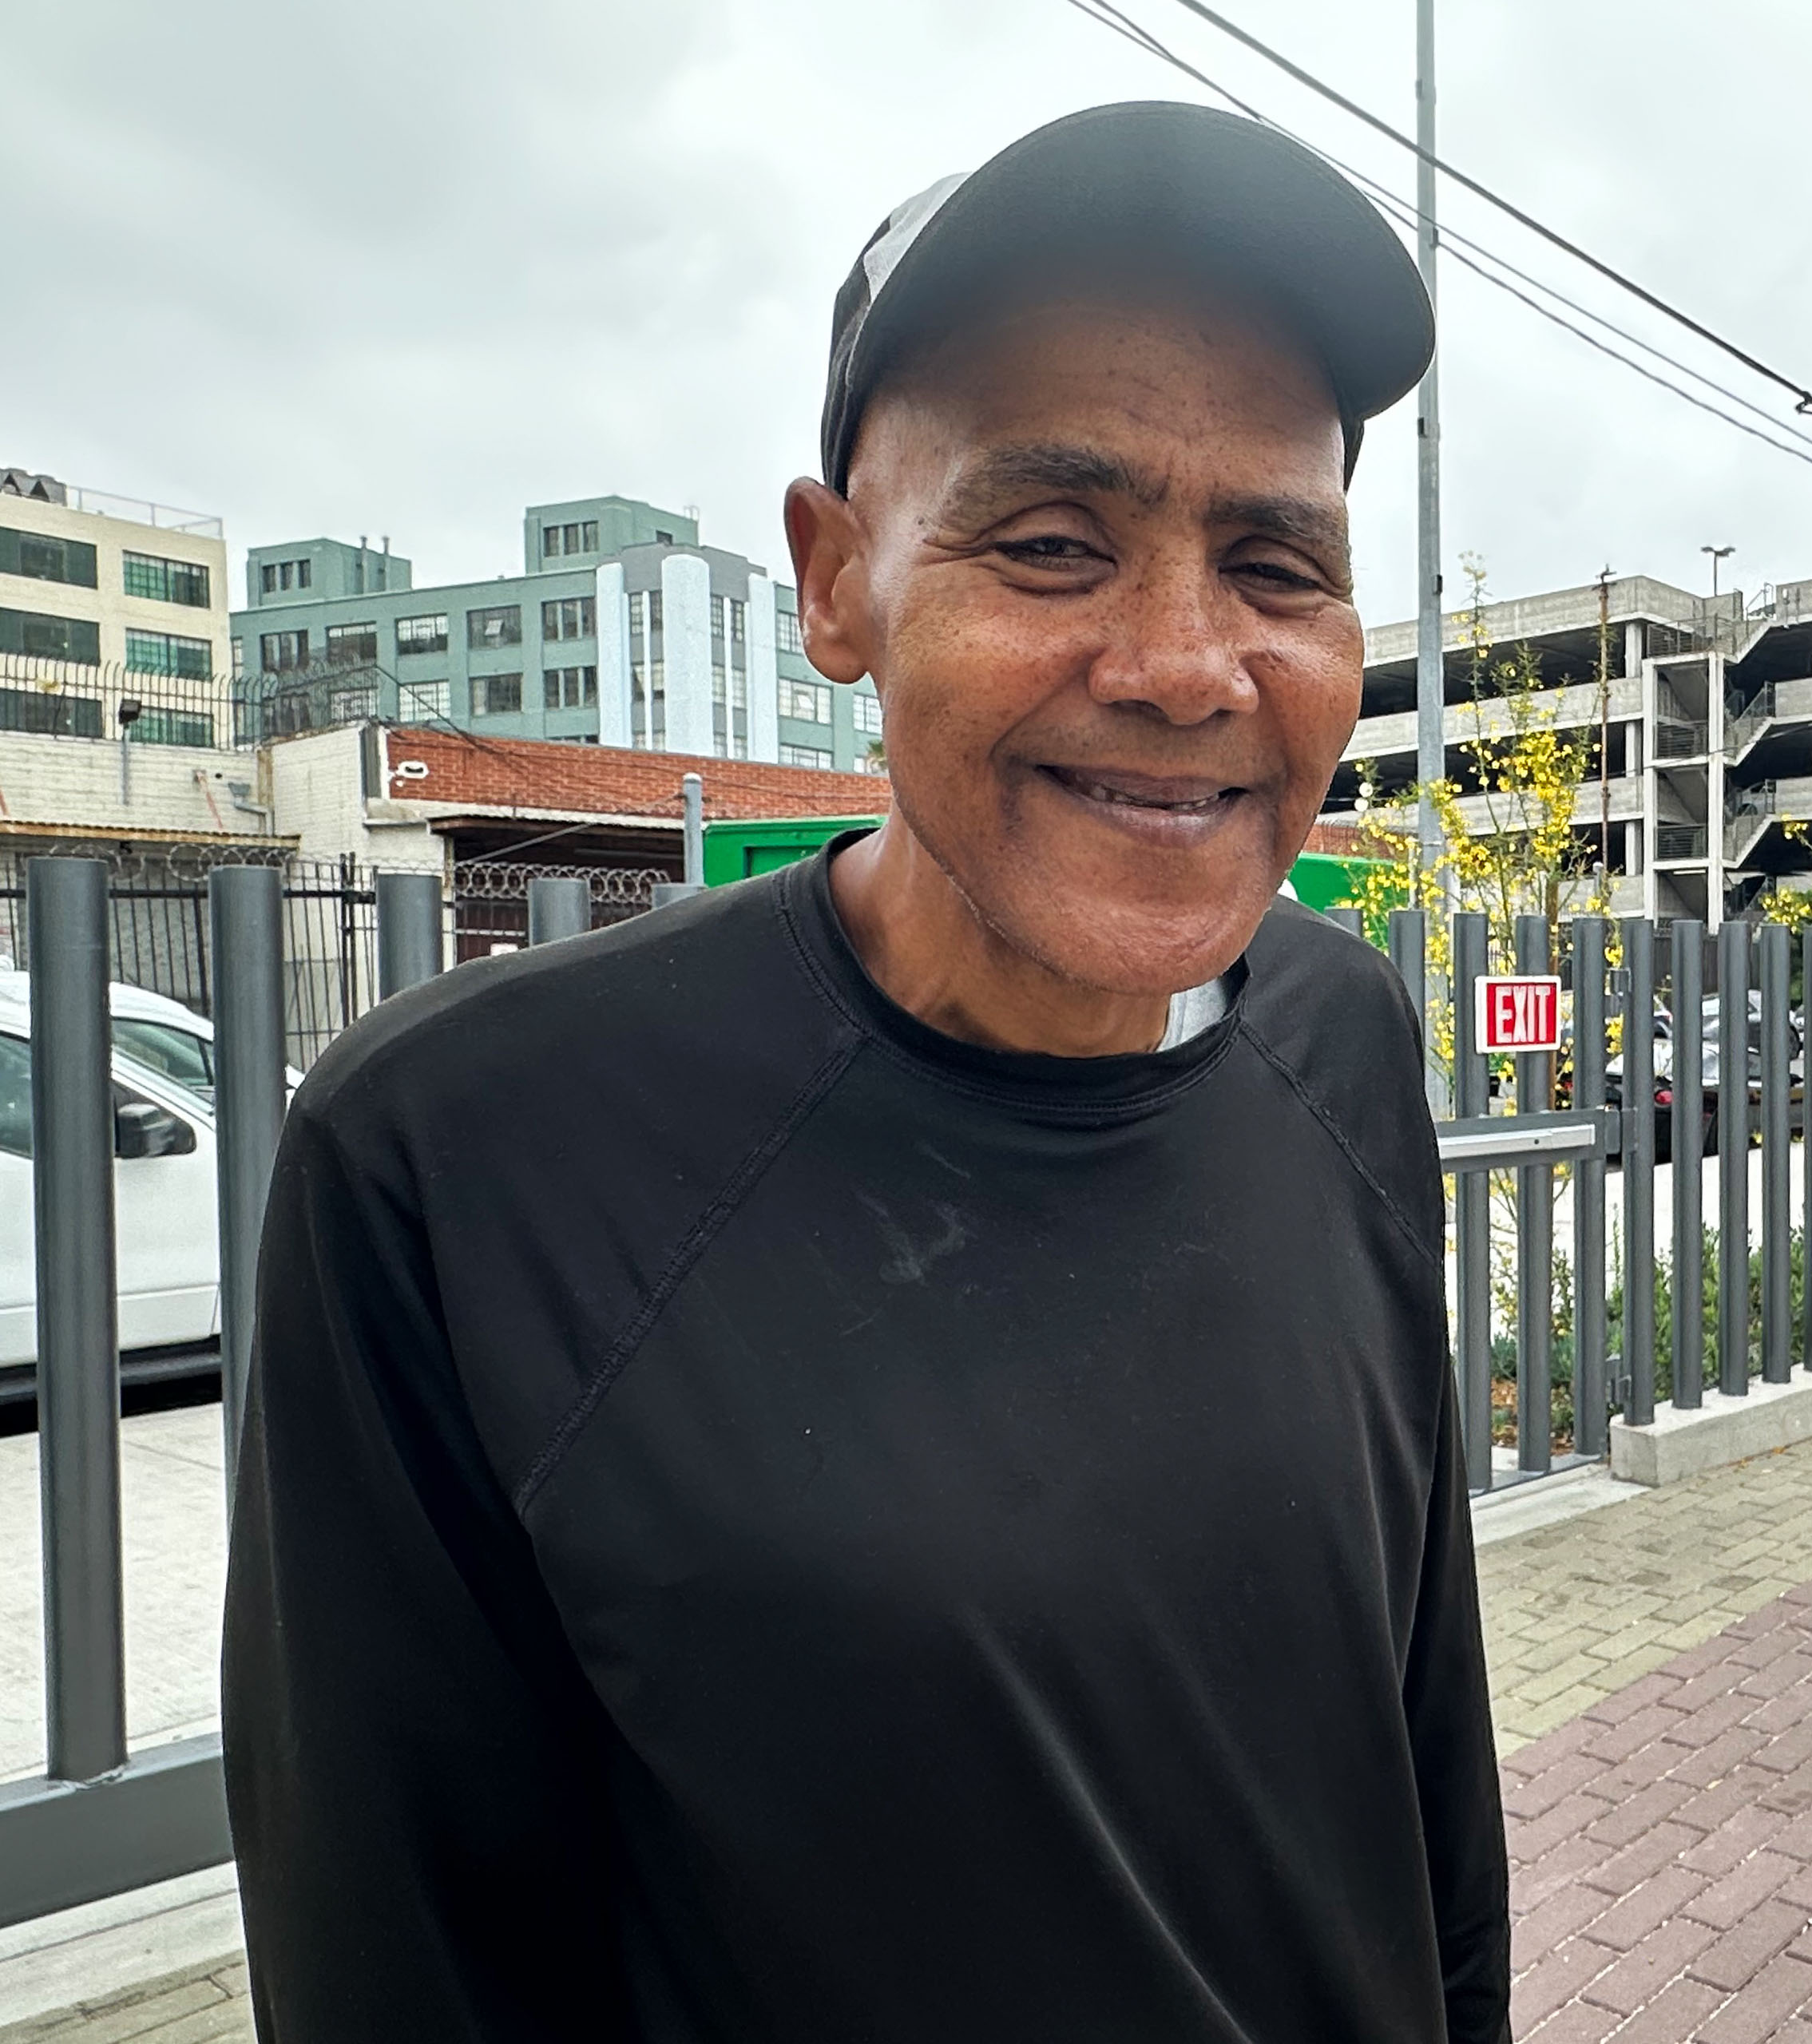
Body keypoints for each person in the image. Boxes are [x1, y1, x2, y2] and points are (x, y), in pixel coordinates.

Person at [223, 103, 1510, 2042]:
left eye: (1275, 561)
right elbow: (401, 1977)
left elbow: (1428, 1762)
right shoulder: (455, 1161)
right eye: (1056, 542)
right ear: (836, 583)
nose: (1185, 663)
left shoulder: (1348, 1036)